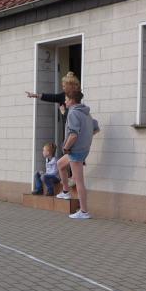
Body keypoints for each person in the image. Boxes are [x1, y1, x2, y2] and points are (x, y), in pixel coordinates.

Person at [56, 90, 99, 219]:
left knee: (79, 181)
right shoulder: (86, 113)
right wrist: (85, 139)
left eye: (66, 99)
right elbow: (95, 128)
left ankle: (84, 211)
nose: (65, 102)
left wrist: (66, 147)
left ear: (72, 100)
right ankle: (65, 191)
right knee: (60, 164)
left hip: (75, 151)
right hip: (81, 149)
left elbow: (73, 135)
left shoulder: (73, 113)